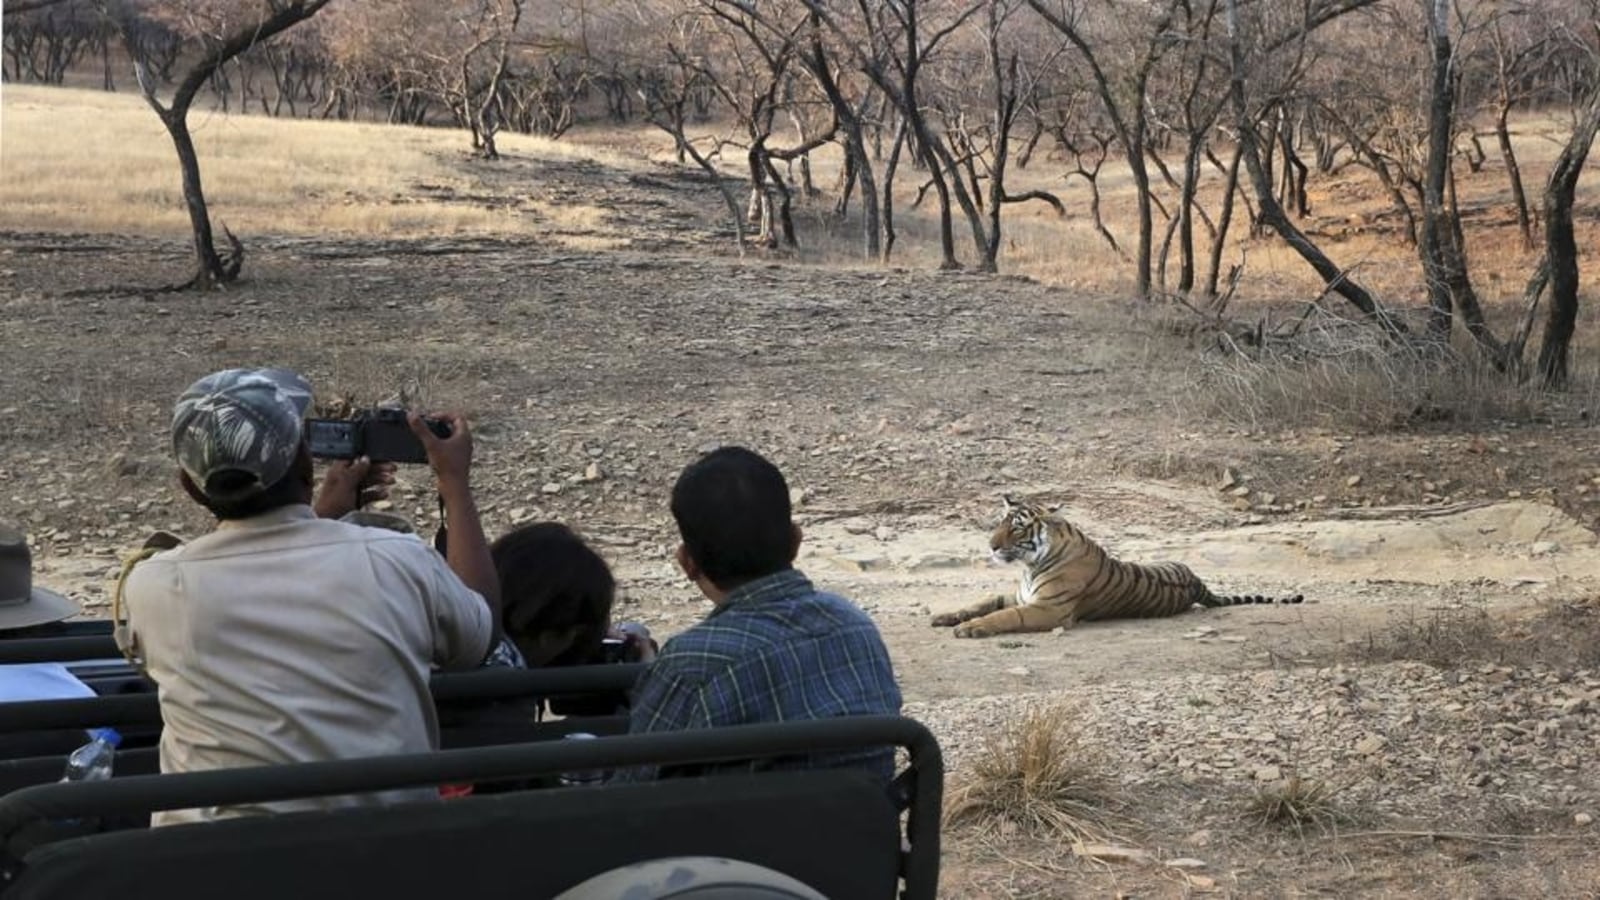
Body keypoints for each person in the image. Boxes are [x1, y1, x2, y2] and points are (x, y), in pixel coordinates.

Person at [118, 367, 502, 826]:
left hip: (213, 864)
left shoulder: (152, 585)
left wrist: (321, 515)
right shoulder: (396, 560)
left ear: (190, 487)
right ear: (305, 461)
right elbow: (481, 633)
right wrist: (454, 483)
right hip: (381, 855)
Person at [620, 446, 902, 782]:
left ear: (687, 563)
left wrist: (651, 673)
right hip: (862, 831)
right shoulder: (856, 627)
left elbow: (631, 788)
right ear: (796, 542)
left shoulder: (691, 665)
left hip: (733, 835)